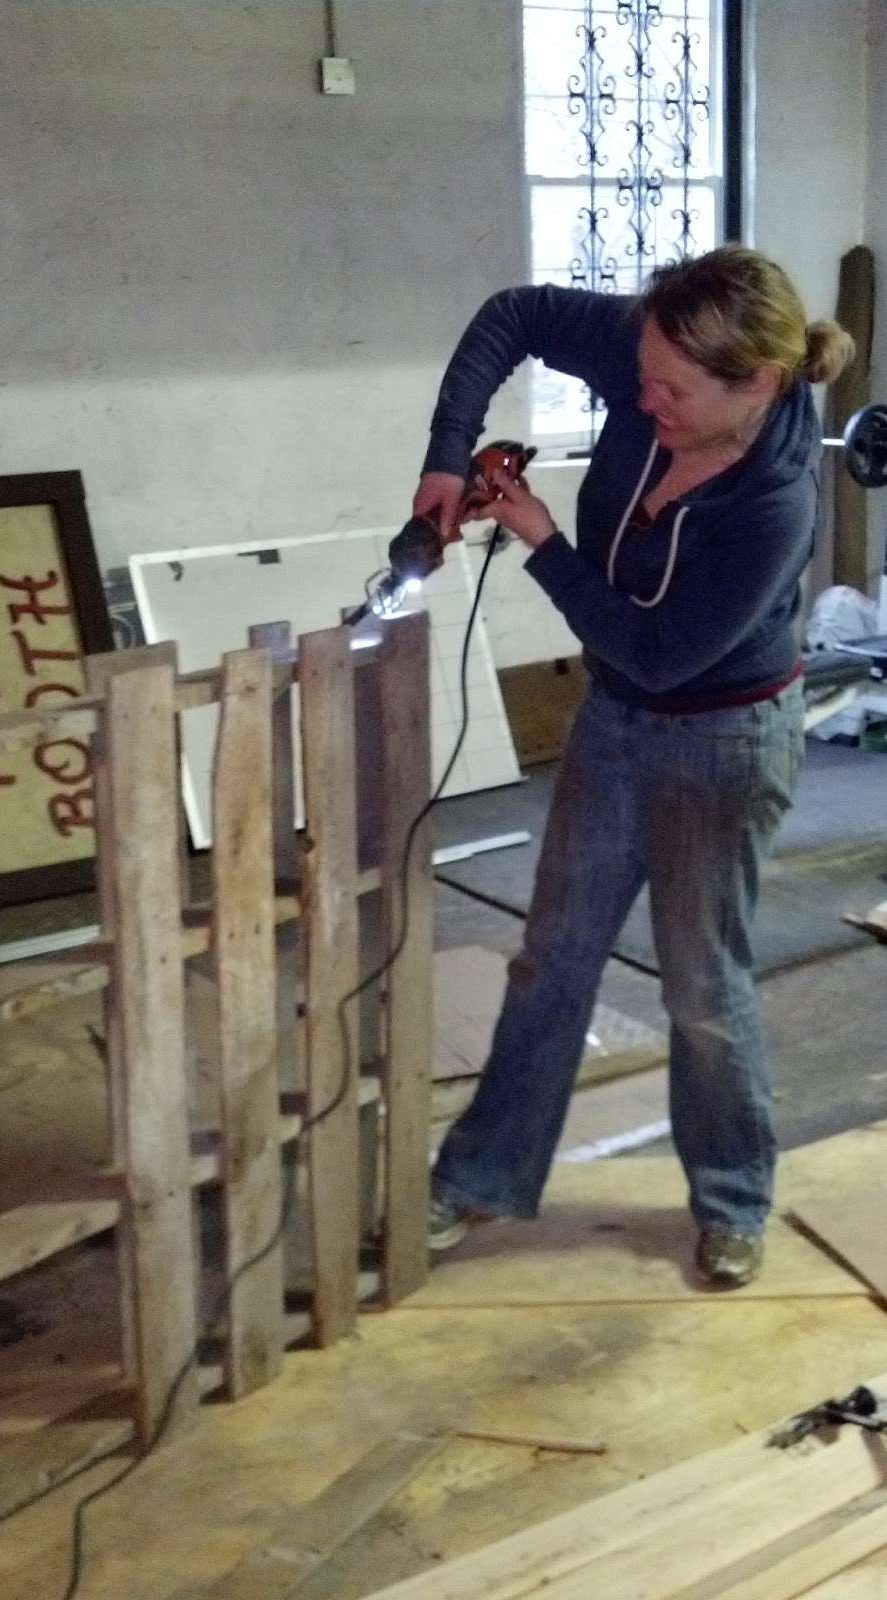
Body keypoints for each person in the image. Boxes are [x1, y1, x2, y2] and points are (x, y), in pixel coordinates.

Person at [415, 244, 855, 1289]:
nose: (641, 395)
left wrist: (539, 538)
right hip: (615, 722)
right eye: (640, 374)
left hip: (724, 738)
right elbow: (512, 312)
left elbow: (656, 652)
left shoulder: (775, 502)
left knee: (700, 984)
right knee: (552, 956)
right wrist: (448, 455)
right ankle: (481, 1173)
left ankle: (734, 1197)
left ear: (756, 384)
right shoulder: (655, 350)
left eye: (669, 390)